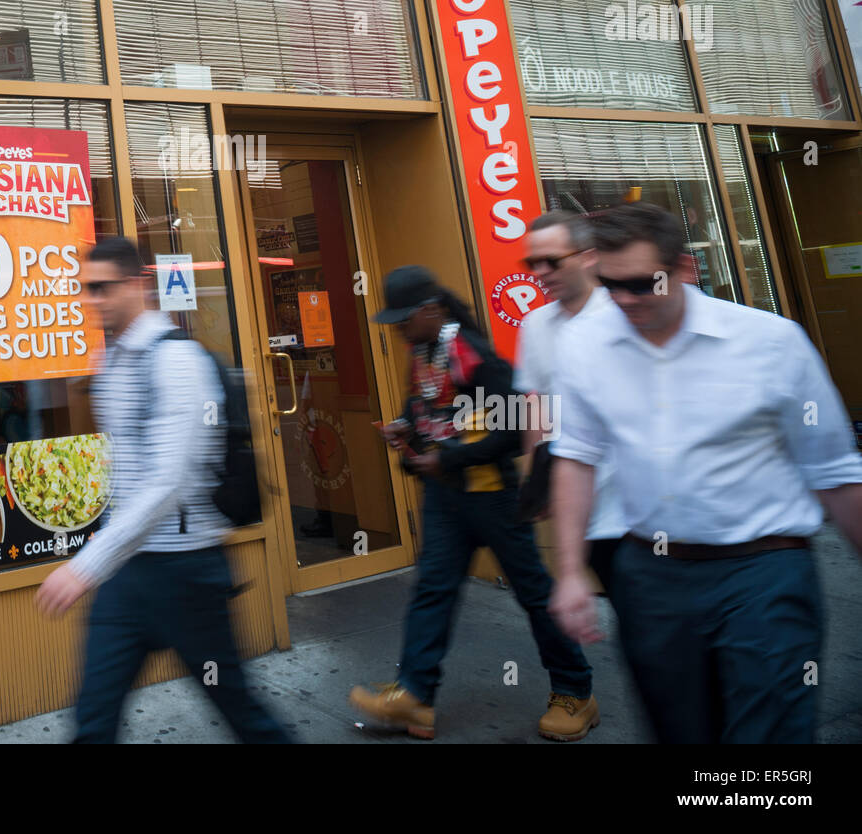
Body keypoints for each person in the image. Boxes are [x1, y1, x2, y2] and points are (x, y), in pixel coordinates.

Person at [548, 202, 862, 744]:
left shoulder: (771, 343)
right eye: (609, 284)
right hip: (650, 576)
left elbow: (832, 468)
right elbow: (577, 455)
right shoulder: (583, 345)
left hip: (765, 569)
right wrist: (571, 571)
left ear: (686, 270)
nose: (624, 299)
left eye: (644, 284)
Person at [36, 236, 291, 744]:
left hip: (186, 571)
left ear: (136, 284)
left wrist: (86, 565)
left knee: (240, 708)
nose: (92, 300)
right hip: (127, 573)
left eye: (103, 288)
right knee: (94, 717)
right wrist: (106, 559)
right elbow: (127, 472)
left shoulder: (177, 363)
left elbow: (167, 483)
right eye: (86, 289)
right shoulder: (114, 362)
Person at [349, 266, 598, 742]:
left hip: (494, 499)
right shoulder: (424, 350)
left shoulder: (477, 357)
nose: (398, 327)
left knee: (534, 595)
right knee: (432, 591)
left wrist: (449, 458)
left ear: (431, 310)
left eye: (404, 317)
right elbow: (423, 407)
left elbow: (512, 434)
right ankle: (415, 698)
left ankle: (576, 692)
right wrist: (404, 427)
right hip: (447, 498)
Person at [513, 211, 624, 603]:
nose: (541, 272)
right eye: (532, 263)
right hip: (583, 511)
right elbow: (535, 406)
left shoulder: (625, 316)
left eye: (553, 261)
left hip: (641, 509)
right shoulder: (535, 325)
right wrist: (536, 483)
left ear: (588, 257)